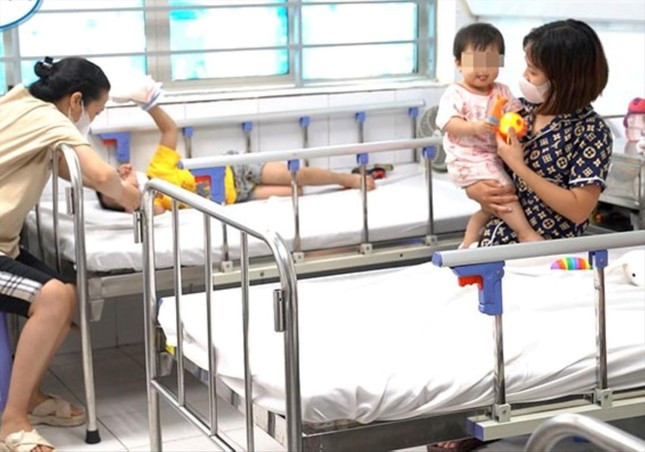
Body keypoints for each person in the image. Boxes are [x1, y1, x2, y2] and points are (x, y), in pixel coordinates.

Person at [430, 18, 611, 452]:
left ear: (563, 75)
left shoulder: (590, 132)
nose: (524, 77)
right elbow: (478, 160)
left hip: (545, 252)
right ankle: (455, 414)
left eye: (533, 70)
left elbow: (578, 208)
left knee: (509, 339)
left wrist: (519, 166)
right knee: (465, 324)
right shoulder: (521, 112)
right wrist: (476, 190)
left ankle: (485, 417)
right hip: (498, 236)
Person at [0, 57, 141, 452]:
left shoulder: (18, 102)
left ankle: (30, 398)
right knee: (54, 298)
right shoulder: (51, 117)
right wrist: (129, 197)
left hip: (5, 244)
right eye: (95, 111)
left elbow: (65, 167)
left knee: (67, 294)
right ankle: (11, 423)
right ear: (76, 101)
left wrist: (111, 185)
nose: (91, 121)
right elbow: (98, 174)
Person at [98, 79, 376, 214]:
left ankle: (347, 179)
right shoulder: (158, 204)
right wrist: (129, 196)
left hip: (237, 170)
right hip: (238, 197)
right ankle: (338, 181)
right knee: (296, 192)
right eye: (118, 194)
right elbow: (144, 209)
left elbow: (170, 130)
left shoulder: (158, 170)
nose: (122, 185)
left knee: (296, 175)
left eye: (118, 181)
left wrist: (148, 105)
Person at [436, 22, 543, 249]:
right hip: (468, 158)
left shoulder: (501, 90)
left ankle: (468, 242)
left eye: (491, 62)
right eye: (475, 63)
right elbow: (447, 123)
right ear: (458, 63)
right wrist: (474, 128)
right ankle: (525, 233)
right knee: (504, 190)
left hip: (493, 157)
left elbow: (515, 114)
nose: (483, 70)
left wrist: (518, 126)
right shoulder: (455, 93)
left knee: (490, 205)